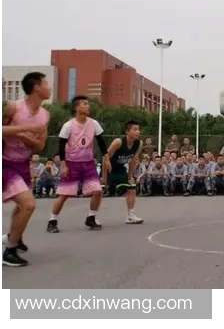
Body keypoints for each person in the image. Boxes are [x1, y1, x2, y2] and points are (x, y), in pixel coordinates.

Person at [2, 72, 51, 267]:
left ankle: (15, 236)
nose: (49, 87)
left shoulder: (45, 115)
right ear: (36, 88)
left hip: (23, 163)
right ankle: (9, 251)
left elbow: (40, 146)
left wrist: (28, 138)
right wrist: (24, 129)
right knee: (28, 204)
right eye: (46, 84)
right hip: (5, 162)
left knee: (21, 206)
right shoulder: (14, 108)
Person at [47, 95, 108, 233]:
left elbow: (101, 142)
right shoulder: (68, 126)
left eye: (88, 104)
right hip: (72, 164)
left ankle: (91, 217)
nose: (88, 106)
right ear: (77, 107)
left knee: (97, 191)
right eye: (85, 104)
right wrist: (63, 165)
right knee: (64, 195)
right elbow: (61, 147)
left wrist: (107, 158)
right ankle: (52, 220)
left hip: (88, 164)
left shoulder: (94, 123)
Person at [104, 120, 144, 224]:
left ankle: (130, 215)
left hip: (121, 170)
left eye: (138, 129)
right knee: (98, 192)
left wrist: (130, 176)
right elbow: (105, 158)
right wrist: (104, 177)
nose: (138, 132)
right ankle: (92, 216)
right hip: (109, 170)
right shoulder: (118, 142)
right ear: (127, 131)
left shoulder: (138, 143)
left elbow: (134, 160)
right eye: (135, 129)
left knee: (132, 187)